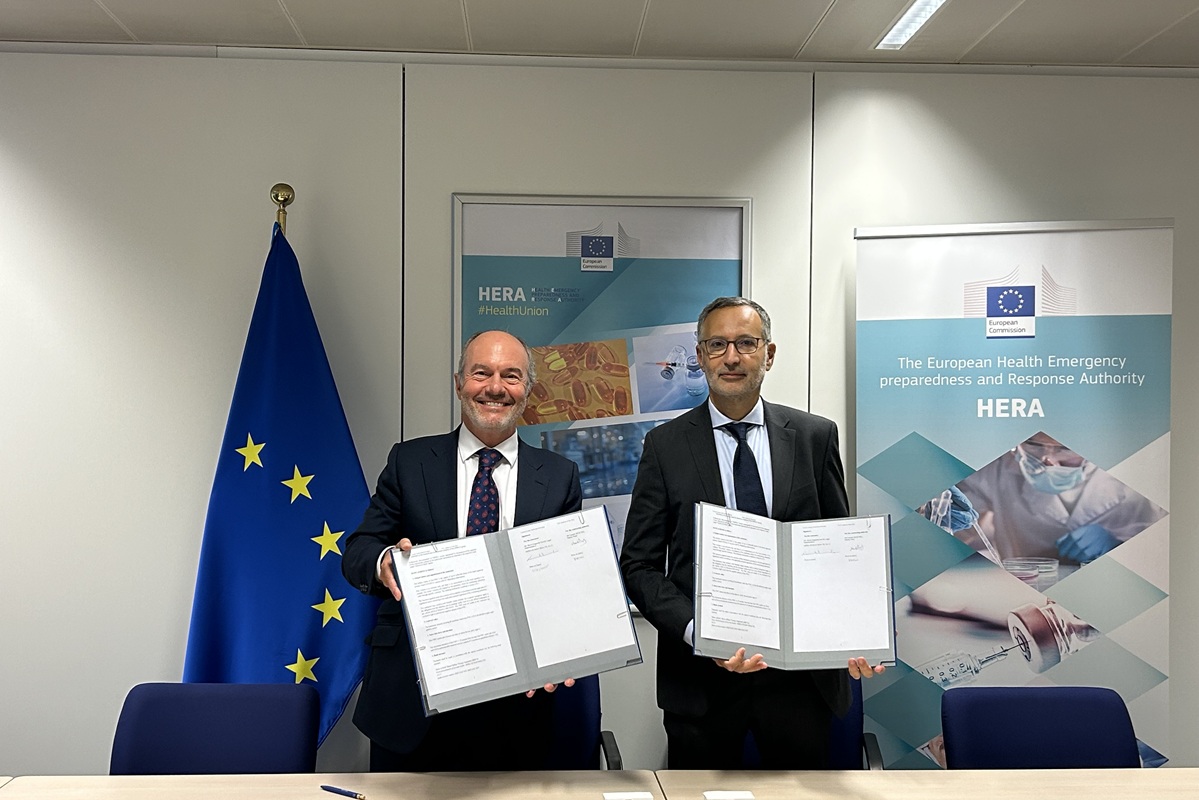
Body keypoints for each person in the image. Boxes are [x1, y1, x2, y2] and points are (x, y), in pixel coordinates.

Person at [619, 296, 884, 770]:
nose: (731, 357)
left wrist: (857, 630)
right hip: (701, 683)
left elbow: (839, 554)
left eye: (746, 343)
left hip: (800, 684)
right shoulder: (664, 446)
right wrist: (700, 632)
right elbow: (639, 566)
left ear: (769, 353)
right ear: (700, 357)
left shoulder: (814, 436)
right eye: (717, 345)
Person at [342, 330, 582, 772]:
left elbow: (567, 584)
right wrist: (384, 562)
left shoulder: (559, 476)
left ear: (528, 390)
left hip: (518, 704)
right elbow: (359, 548)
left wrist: (567, 643)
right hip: (412, 700)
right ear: (458, 384)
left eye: (511, 376)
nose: (495, 387)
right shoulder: (410, 462)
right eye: (481, 373)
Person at [952, 431, 1166, 565]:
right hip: (1025, 588)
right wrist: (945, 514)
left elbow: (1166, 556)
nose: (1048, 461)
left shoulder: (1140, 470)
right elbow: (961, 528)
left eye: (1065, 449)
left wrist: (1119, 547)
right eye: (1034, 446)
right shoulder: (997, 469)